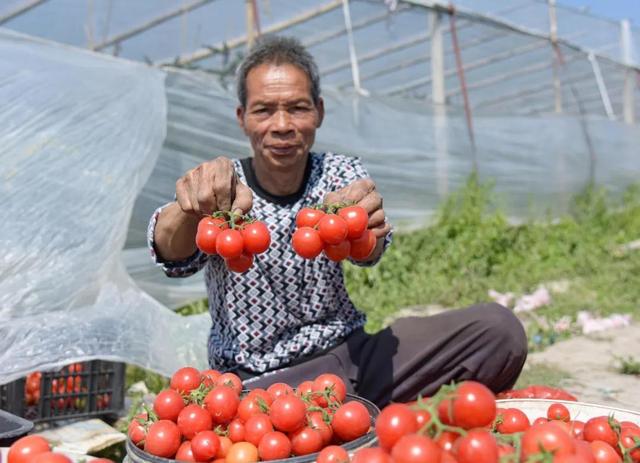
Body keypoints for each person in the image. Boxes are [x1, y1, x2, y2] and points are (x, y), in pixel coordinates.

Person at [148, 36, 527, 407]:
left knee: (497, 330)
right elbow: (170, 253)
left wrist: (364, 224)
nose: (282, 124)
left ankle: (350, 417)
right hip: (260, 384)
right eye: (264, 110)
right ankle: (352, 421)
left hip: (350, 359)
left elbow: (369, 251)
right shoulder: (221, 186)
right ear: (242, 118)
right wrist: (190, 208)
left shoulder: (338, 171)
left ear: (320, 112)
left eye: (297, 108)